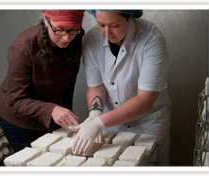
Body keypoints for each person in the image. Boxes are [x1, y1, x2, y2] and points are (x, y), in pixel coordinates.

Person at [70, 10, 171, 165]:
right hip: (112, 122)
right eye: (101, 25)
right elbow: (96, 86)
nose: (107, 32)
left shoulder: (151, 39)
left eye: (115, 25)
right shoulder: (91, 39)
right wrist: (94, 114)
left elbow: (145, 99)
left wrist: (99, 123)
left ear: (129, 17)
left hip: (148, 122)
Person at [0, 10, 85, 152]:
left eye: (73, 30)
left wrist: (65, 114)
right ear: (45, 20)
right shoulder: (23, 47)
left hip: (55, 115)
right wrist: (51, 110)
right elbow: (17, 100)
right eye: (59, 30)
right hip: (20, 120)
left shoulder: (78, 36)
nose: (66, 38)